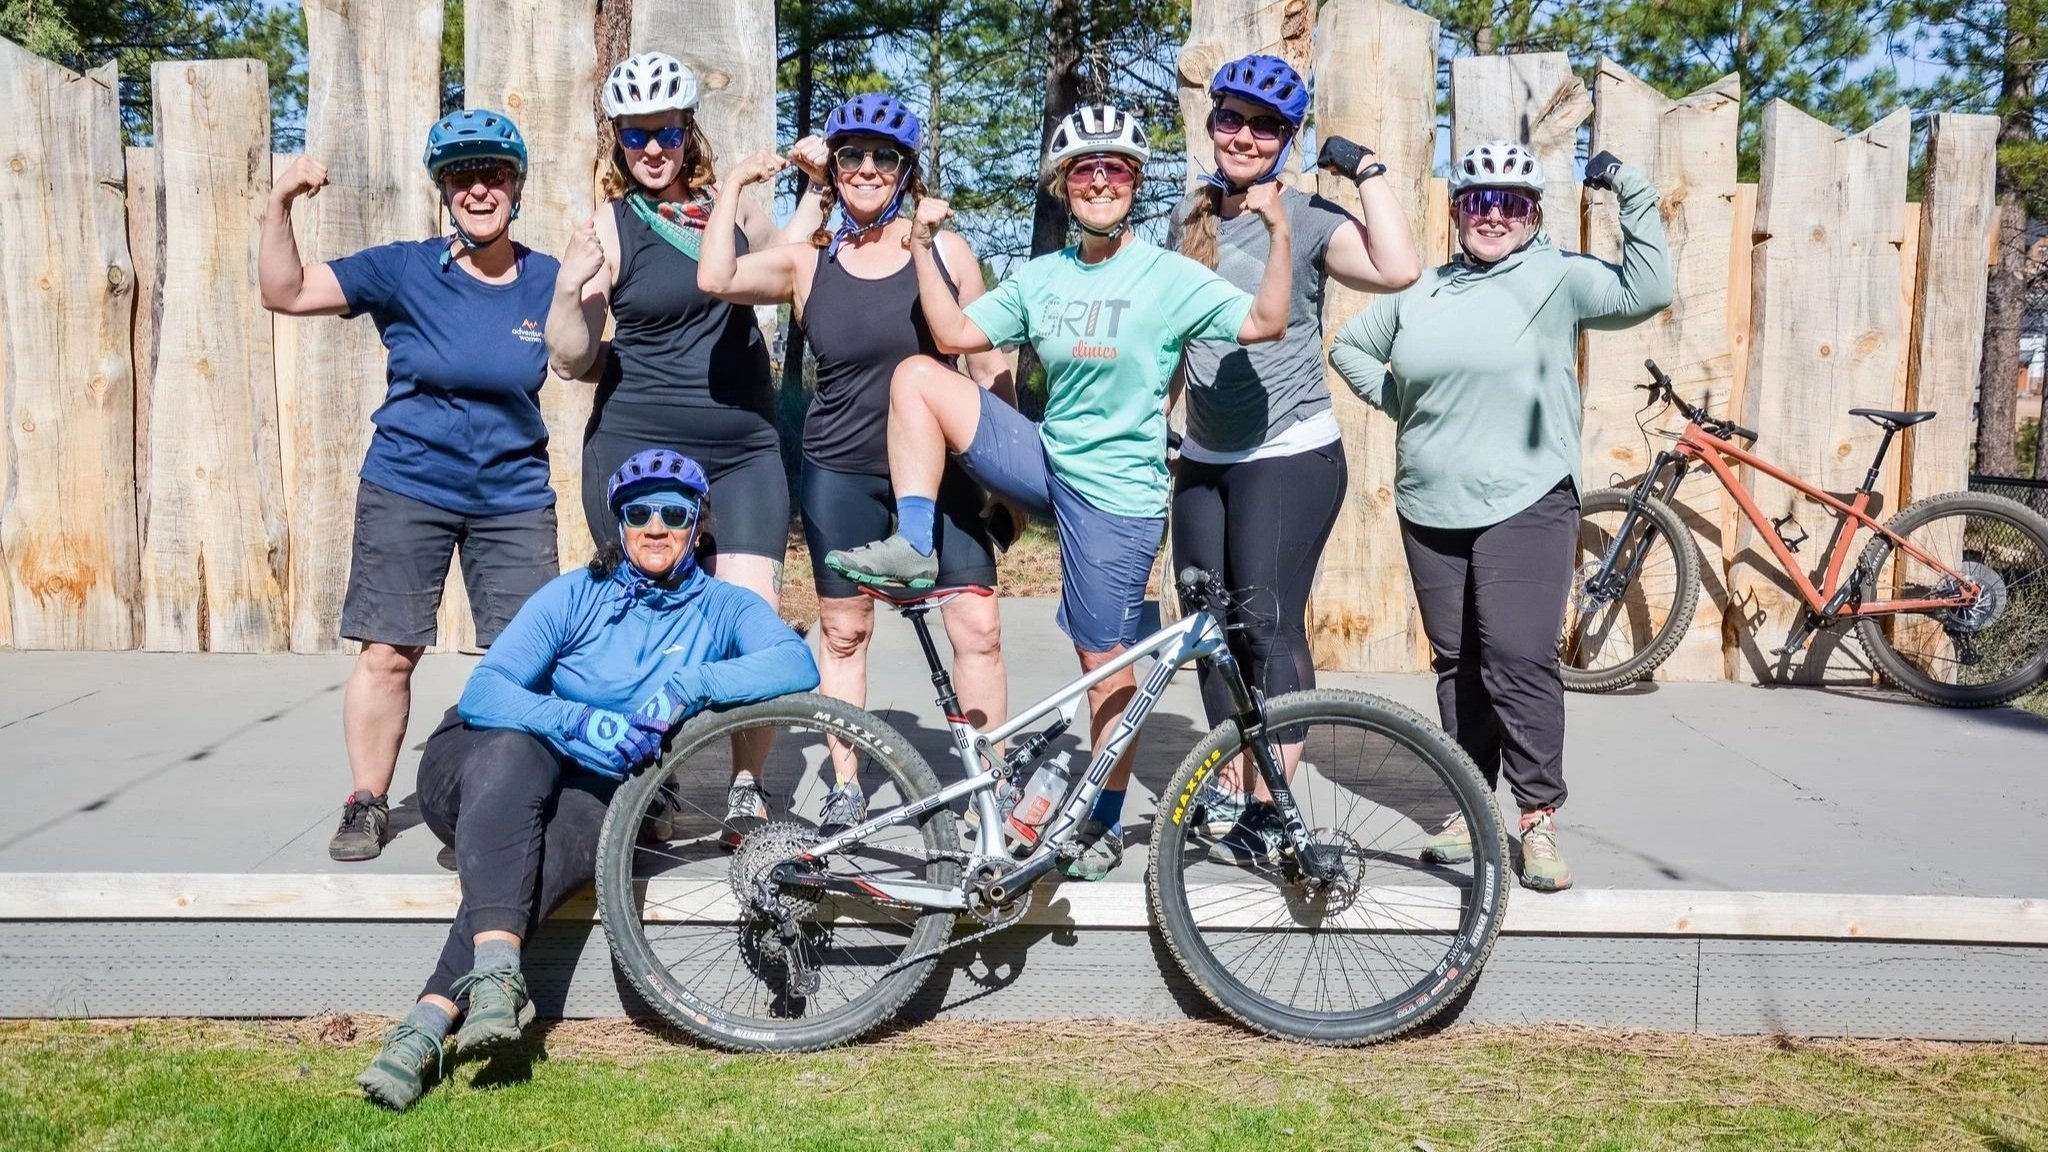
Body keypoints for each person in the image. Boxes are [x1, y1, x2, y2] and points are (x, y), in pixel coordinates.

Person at [826, 104, 1293, 880]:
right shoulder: (1042, 277)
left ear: (1134, 184)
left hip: (1116, 493)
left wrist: (1277, 231)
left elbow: (1269, 320)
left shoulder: (1171, 277)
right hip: (1046, 458)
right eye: (1085, 170)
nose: (1100, 181)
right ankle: (914, 544)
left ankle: (1101, 821)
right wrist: (917, 243)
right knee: (917, 376)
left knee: (1104, 663)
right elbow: (951, 337)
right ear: (1064, 186)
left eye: (1114, 170)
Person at [353, 449, 819, 1110]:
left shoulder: (722, 607)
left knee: (552, 845)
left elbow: (794, 663)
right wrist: (581, 721)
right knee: (519, 752)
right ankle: (486, 980)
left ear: (697, 524)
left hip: (600, 786)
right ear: (619, 526)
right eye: (639, 513)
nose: (656, 527)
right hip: (481, 767)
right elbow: (489, 692)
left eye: (674, 513)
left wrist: (692, 683)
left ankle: (431, 1019)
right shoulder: (578, 593)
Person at [1328, 141, 1674, 892]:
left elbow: (1649, 289)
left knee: (1518, 659)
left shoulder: (1558, 278)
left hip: (1528, 499)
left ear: (1532, 215)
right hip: (1429, 503)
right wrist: (1403, 409)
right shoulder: (1421, 293)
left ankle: (1537, 817)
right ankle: (1470, 802)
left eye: (1509, 203)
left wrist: (1627, 186)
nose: (1492, 215)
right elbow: (1352, 347)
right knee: (1458, 665)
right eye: (1477, 201)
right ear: (1456, 212)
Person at [696, 94, 1015, 832]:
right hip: (840, 470)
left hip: (942, 477)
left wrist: (1006, 473)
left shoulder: (945, 250)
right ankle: (847, 785)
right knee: (844, 634)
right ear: (834, 168)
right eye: (851, 156)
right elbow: (716, 278)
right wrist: (735, 188)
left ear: (907, 170)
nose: (866, 169)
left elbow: (991, 365)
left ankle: (985, 781)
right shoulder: (810, 263)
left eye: (883, 157)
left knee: (978, 628)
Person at [259, 109, 562, 863]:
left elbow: (611, 342)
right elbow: (285, 292)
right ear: (444, 191)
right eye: (463, 176)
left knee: (527, 659)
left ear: (515, 186)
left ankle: (503, 807)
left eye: (494, 174)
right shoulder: (402, 268)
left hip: (513, 495)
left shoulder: (551, 279)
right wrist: (279, 202)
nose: (479, 189)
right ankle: (366, 801)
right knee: (389, 653)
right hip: (409, 484)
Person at [545, 52, 820, 833]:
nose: (653, 150)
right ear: (618, 143)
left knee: (752, 616)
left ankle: (743, 789)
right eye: (636, 137)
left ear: (688, 130)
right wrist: (569, 287)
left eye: (665, 132)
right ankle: (641, 770)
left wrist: (816, 184)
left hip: (742, 448)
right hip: (639, 447)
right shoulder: (609, 224)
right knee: (641, 619)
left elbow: (791, 258)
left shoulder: (730, 210)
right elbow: (570, 358)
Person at [1167, 55, 1423, 861]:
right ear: (1212, 126)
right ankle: (1233, 782)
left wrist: (1369, 172)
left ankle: (1275, 798)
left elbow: (1398, 268)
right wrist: (1157, 416)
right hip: (1205, 453)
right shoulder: (1189, 214)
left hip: (1289, 451)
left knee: (1267, 622)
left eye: (1265, 124)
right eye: (1231, 119)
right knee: (1208, 627)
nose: (1244, 135)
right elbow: (1179, 329)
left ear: (1287, 139)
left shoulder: (1311, 217)